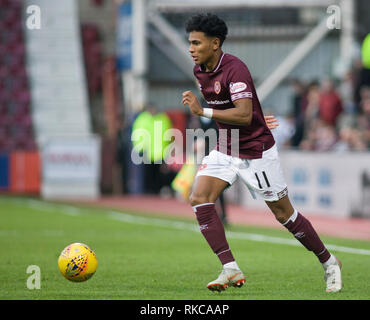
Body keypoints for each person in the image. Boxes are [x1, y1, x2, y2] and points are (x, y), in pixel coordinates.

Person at [181, 13, 342, 293]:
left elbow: (243, 115)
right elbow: (235, 112)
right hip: (227, 146)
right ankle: (230, 268)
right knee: (199, 197)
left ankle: (329, 262)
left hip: (257, 151)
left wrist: (202, 110)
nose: (191, 48)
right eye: (190, 43)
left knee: (285, 216)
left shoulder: (235, 69)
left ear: (215, 43)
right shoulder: (200, 71)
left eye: (196, 43)